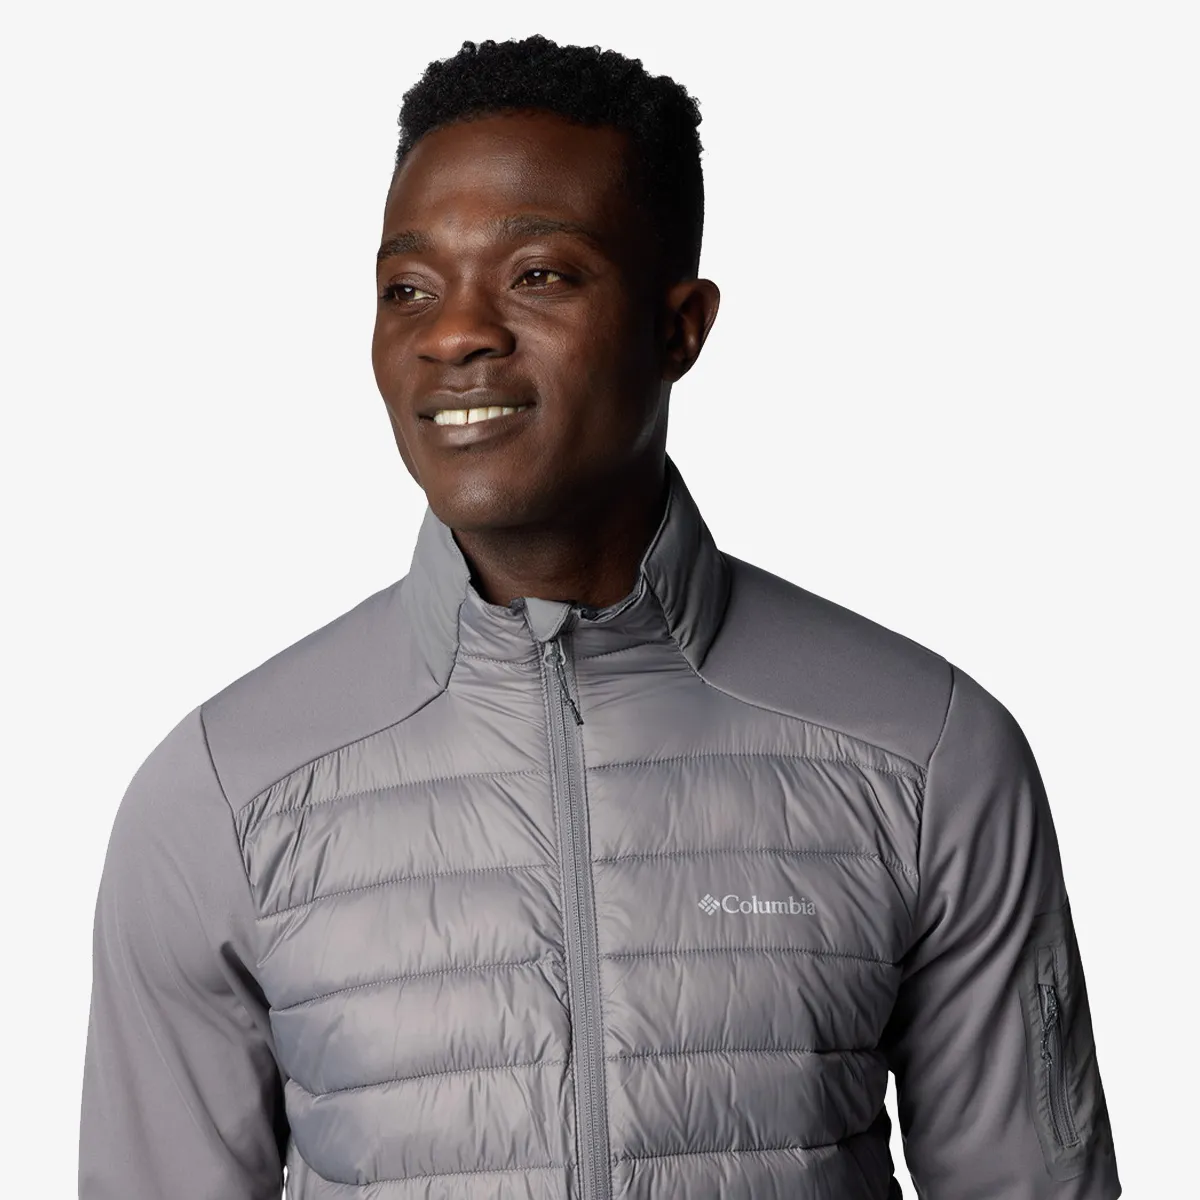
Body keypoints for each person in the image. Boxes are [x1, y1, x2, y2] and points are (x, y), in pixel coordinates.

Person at [78, 34, 1122, 1200]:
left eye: (538, 275)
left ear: (681, 328)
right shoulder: (222, 794)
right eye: (408, 288)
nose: (454, 333)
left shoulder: (927, 753)